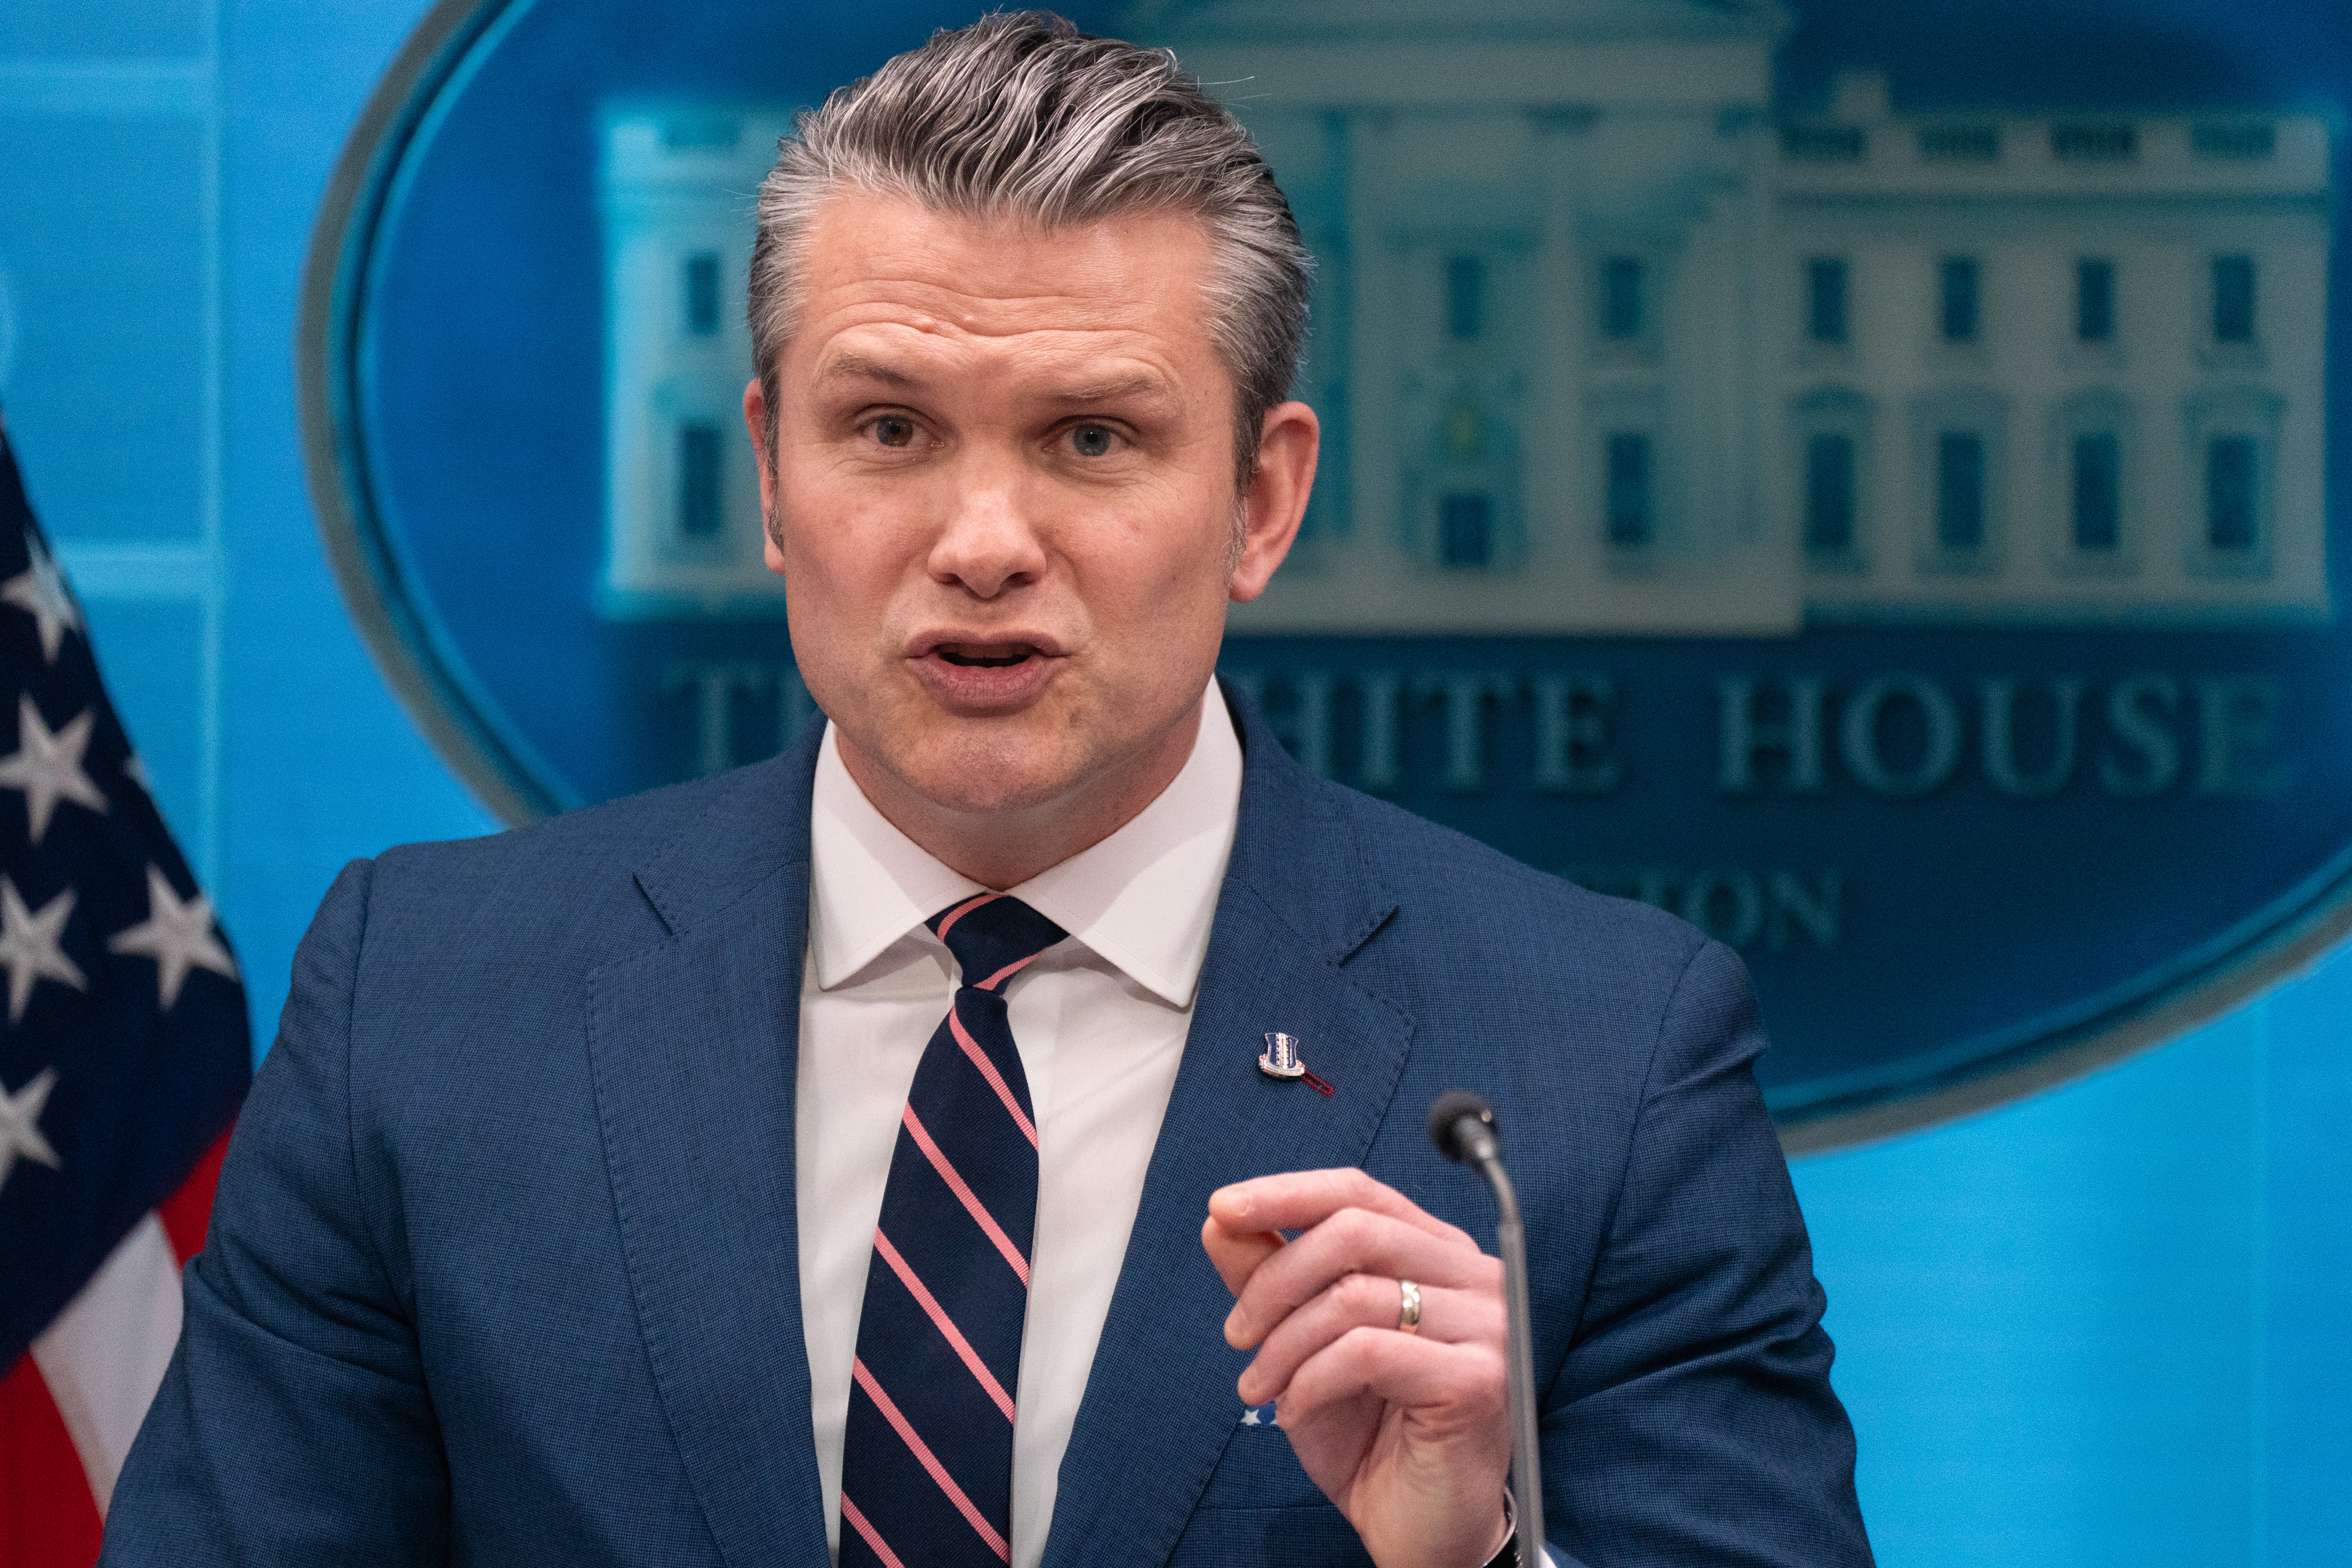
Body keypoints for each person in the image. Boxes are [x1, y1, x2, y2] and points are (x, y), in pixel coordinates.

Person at [102, 14, 1870, 1568]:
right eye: (889, 429)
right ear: (771, 477)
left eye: (1092, 438)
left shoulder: (1601, 1064)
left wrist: (1476, 1556)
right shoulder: (422, 1007)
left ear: (1260, 501)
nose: (981, 543)